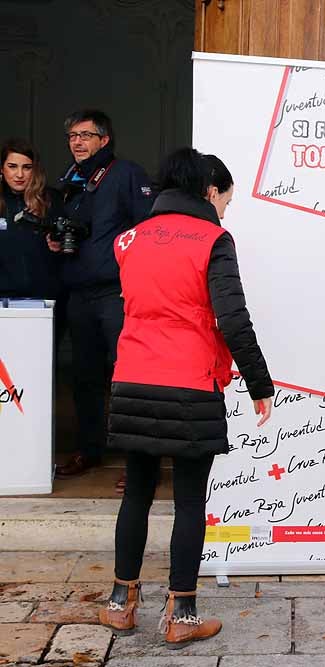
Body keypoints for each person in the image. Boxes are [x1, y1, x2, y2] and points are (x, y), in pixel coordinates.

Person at [97, 148, 274, 647]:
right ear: (209, 191)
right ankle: (183, 614)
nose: (225, 213)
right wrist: (259, 383)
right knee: (190, 500)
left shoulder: (129, 239)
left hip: (133, 379)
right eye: (226, 202)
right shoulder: (213, 240)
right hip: (190, 385)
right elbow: (232, 319)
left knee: (136, 492)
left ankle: (120, 603)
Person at [52, 109, 154, 483]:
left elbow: (147, 229)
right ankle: (90, 450)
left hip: (117, 293)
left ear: (104, 139)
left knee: (129, 378)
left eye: (86, 135)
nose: (77, 142)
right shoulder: (70, 180)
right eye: (72, 136)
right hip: (79, 293)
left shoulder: (126, 174)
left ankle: (140, 465)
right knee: (84, 379)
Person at [0, 139, 62, 299]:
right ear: (2, 168)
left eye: (27, 167)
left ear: (35, 170)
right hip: (3, 299)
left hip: (46, 298)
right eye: (12, 166)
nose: (19, 174)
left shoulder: (51, 200)